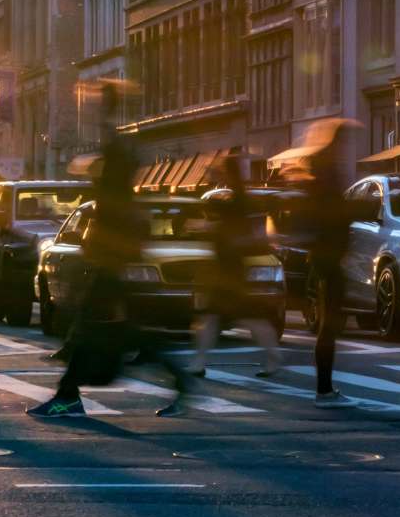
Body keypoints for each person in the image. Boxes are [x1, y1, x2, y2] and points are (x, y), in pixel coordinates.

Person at [29, 81, 191, 418]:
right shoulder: (119, 157)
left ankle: (69, 394)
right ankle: (179, 382)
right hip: (114, 255)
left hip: (113, 257)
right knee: (124, 327)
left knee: (102, 325)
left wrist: (104, 110)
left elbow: (112, 199)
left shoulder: (116, 160)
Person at [291, 118, 367, 408]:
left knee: (329, 324)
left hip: (326, 257)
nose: (348, 147)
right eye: (346, 140)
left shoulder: (322, 172)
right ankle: (324, 390)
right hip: (328, 258)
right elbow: (333, 213)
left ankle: (325, 387)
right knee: (329, 325)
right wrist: (356, 209)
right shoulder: (327, 176)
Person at [190, 154, 279, 379]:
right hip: (229, 267)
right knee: (229, 315)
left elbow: (245, 232)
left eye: (223, 172)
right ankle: (200, 362)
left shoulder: (236, 200)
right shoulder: (238, 199)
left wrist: (211, 229)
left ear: (229, 174)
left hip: (229, 268)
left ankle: (200, 362)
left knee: (228, 315)